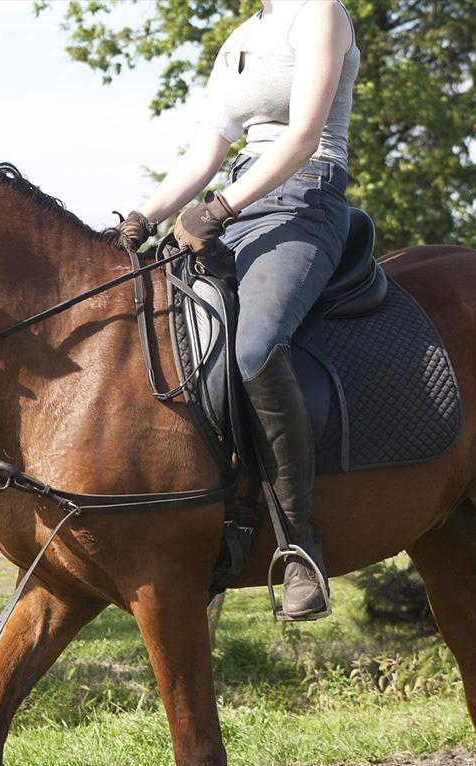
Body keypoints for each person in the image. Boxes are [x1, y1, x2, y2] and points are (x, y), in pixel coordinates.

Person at [113, 0, 359, 620]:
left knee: (254, 347)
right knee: (168, 333)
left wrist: (219, 209)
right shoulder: (239, 39)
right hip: (241, 201)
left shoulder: (320, 12)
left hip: (306, 201)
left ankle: (301, 544)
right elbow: (205, 155)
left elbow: (304, 137)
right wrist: (141, 219)